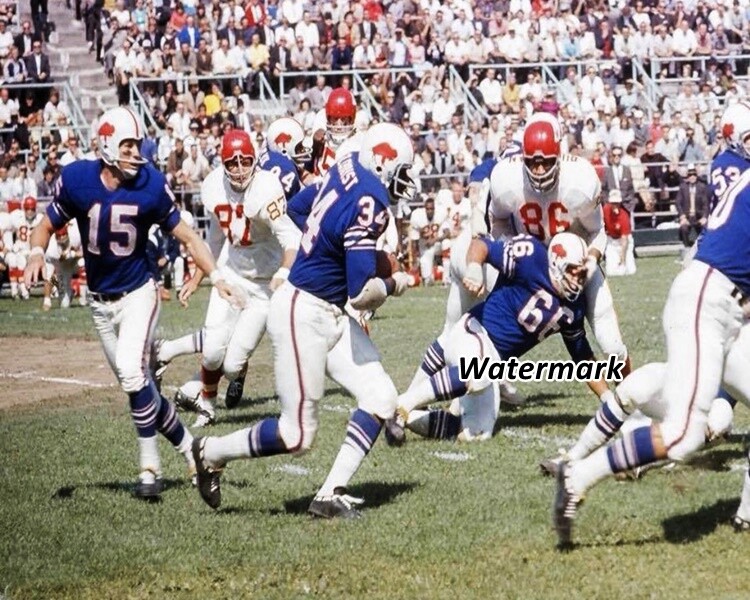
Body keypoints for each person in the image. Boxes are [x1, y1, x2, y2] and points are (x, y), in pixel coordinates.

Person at [191, 123, 415, 518]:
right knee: (296, 435)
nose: (405, 180)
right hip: (304, 311)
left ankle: (329, 495)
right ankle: (210, 452)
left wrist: (326, 251)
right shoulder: (372, 199)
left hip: (327, 309)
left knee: (381, 397)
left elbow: (297, 208)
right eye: (402, 170)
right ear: (383, 163)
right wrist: (395, 282)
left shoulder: (347, 166)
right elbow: (361, 293)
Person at [552, 103, 750, 547]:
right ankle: (577, 477)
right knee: (684, 435)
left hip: (724, 305)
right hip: (707, 301)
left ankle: (746, 517)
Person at [24, 106, 235, 501]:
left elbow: (189, 236)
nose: (135, 153)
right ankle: (192, 450)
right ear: (106, 145)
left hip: (139, 293)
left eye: (137, 145)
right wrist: (36, 253)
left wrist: (217, 277)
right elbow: (45, 225)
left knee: (131, 372)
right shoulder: (78, 179)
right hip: (100, 303)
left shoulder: (150, 184)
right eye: (127, 145)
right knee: (137, 385)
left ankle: (149, 469)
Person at [386, 232, 614, 444]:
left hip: (493, 363)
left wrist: (607, 399)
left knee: (477, 433)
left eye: (581, 274)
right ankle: (402, 406)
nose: (577, 280)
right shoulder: (531, 257)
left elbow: (583, 359)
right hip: (473, 332)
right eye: (572, 271)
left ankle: (406, 419)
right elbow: (481, 244)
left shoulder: (574, 308)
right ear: (555, 262)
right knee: (475, 371)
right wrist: (474, 268)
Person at [169, 129, 301, 428]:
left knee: (231, 365)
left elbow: (292, 238)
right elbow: (215, 239)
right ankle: (207, 406)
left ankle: (238, 374)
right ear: (223, 163)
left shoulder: (267, 187)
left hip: (264, 284)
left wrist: (283, 273)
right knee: (212, 351)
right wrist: (197, 277)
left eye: (245, 161)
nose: (240, 168)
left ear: (255, 160)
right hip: (231, 274)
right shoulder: (213, 185)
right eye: (232, 162)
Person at [486, 112, 631, 378]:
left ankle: (627, 393)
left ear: (558, 156)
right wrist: (513, 252)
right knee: (495, 340)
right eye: (533, 162)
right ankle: (491, 386)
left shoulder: (580, 180)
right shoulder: (506, 179)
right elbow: (498, 222)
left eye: (546, 162)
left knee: (611, 345)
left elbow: (597, 230)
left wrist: (590, 261)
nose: (539, 170)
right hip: (531, 267)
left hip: (574, 264)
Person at [602, 190, 636, 276]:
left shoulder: (624, 216)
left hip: (623, 241)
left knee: (630, 271)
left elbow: (625, 239)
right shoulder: (605, 210)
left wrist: (622, 259)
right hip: (611, 241)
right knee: (611, 272)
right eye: (613, 203)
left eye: (617, 203)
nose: (615, 205)